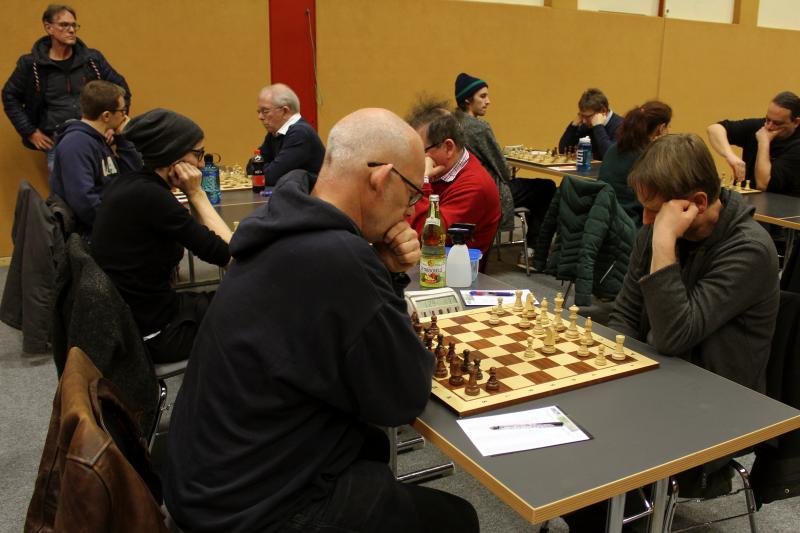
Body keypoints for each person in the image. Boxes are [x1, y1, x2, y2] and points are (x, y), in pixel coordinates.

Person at [163, 108, 479, 532]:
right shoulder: (340, 259)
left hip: (204, 482)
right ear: (381, 178)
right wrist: (379, 274)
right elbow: (403, 396)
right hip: (254, 511)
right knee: (457, 520)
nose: (410, 212)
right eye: (411, 195)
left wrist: (381, 268)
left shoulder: (277, 224)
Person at [564, 133, 779, 531]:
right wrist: (607, 375)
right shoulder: (655, 230)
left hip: (716, 405)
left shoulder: (750, 250)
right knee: (567, 424)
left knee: (592, 465)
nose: (645, 222)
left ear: (696, 203)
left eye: (654, 212)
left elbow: (674, 335)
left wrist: (663, 244)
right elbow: (626, 315)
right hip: (658, 381)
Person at [91, 109, 231, 364]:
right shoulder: (152, 198)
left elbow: (205, 238)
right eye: (198, 154)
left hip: (141, 317)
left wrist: (191, 193)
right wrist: (196, 193)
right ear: (174, 156)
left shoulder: (131, 184)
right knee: (257, 302)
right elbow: (231, 257)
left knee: (235, 295)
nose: (201, 164)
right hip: (157, 335)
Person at [2, 4, 130, 171]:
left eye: (73, 25)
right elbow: (9, 95)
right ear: (49, 27)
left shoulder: (92, 60)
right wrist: (30, 132)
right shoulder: (32, 64)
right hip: (57, 143)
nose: (71, 30)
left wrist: (114, 126)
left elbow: (122, 90)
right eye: (64, 25)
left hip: (96, 138)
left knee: (106, 184)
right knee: (68, 186)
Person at [406, 99, 501, 256]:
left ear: (448, 147)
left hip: (447, 266)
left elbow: (424, 236)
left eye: (420, 151)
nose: (414, 159)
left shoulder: (475, 186)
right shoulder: (439, 173)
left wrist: (422, 183)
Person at [49, 80, 140, 233]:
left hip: (110, 220)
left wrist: (124, 137)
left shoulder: (97, 140)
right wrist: (120, 228)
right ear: (106, 116)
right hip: (91, 233)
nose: (125, 116)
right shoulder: (76, 144)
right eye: (123, 111)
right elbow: (84, 201)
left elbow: (133, 178)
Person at [452, 72, 515, 231]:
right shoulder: (479, 128)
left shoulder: (452, 122)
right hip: (488, 190)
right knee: (545, 187)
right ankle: (535, 243)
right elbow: (504, 171)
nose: (488, 101)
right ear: (468, 100)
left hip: (463, 187)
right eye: (482, 96)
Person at [707, 91, 800, 196]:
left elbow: (763, 184)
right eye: (768, 119)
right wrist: (729, 155)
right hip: (749, 201)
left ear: (796, 122)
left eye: (777, 123)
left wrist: (764, 142)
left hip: (783, 204)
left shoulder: (796, 146)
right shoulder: (761, 126)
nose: (769, 126)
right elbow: (714, 129)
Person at [597, 100, 672, 226]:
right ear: (661, 128)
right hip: (630, 224)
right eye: (668, 127)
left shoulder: (615, 148)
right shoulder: (648, 157)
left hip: (602, 218)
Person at [249, 82, 325, 187]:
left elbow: (271, 177)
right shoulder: (275, 133)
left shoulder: (300, 133)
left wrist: (263, 169)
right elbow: (250, 166)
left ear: (285, 111)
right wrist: (264, 169)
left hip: (310, 196)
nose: (260, 117)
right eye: (259, 112)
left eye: (265, 111)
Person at [558, 88, 623, 161]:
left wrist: (598, 127)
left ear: (603, 111)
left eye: (588, 116)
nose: (584, 121)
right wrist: (573, 126)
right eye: (582, 115)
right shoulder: (587, 125)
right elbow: (563, 151)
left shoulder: (621, 126)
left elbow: (611, 157)